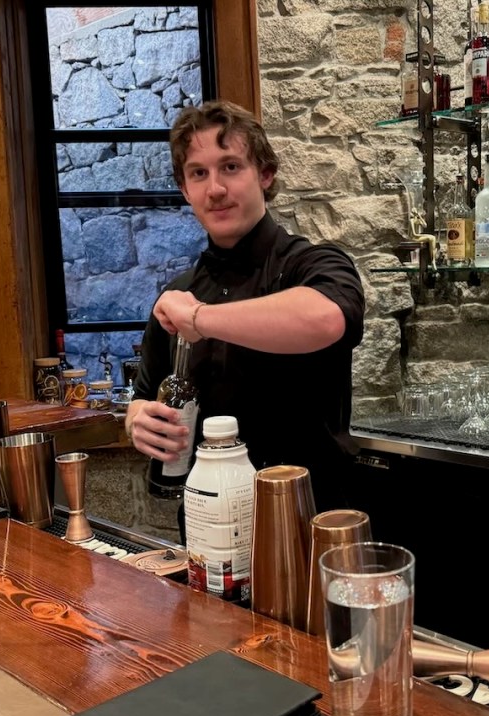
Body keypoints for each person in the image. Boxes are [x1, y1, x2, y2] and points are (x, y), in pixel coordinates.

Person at [124, 100, 365, 539]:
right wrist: (137, 419)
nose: (215, 188)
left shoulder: (313, 264)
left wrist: (201, 318)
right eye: (198, 173)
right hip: (206, 529)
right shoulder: (178, 294)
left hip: (310, 523)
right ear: (185, 189)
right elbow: (143, 395)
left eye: (231, 167)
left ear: (265, 174)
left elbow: (326, 319)